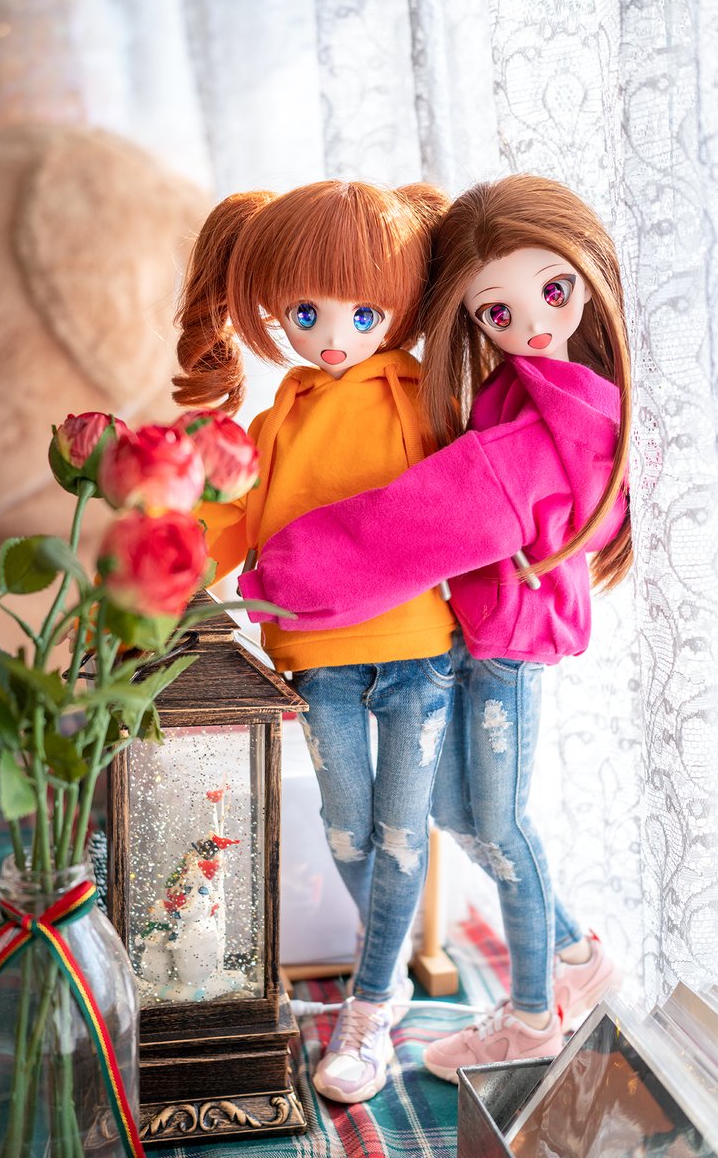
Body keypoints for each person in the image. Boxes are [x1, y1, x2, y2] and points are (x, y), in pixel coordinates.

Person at [238, 174, 631, 1079]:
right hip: (479, 635)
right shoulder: (522, 391)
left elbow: (426, 521)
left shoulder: (553, 420)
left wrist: (279, 575)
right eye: (497, 312)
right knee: (458, 813)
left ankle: (532, 1016)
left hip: (506, 644)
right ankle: (575, 954)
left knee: (501, 826)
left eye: (555, 291)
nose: (531, 324)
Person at [173, 180, 457, 1103]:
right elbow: (232, 517)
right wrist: (164, 567)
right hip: (317, 656)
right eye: (306, 313)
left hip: (417, 647)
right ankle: (388, 969)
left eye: (363, 313)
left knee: (402, 832)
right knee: (348, 827)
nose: (334, 336)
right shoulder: (279, 419)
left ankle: (371, 1003)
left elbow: (469, 506)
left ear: (401, 307)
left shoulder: (423, 400)